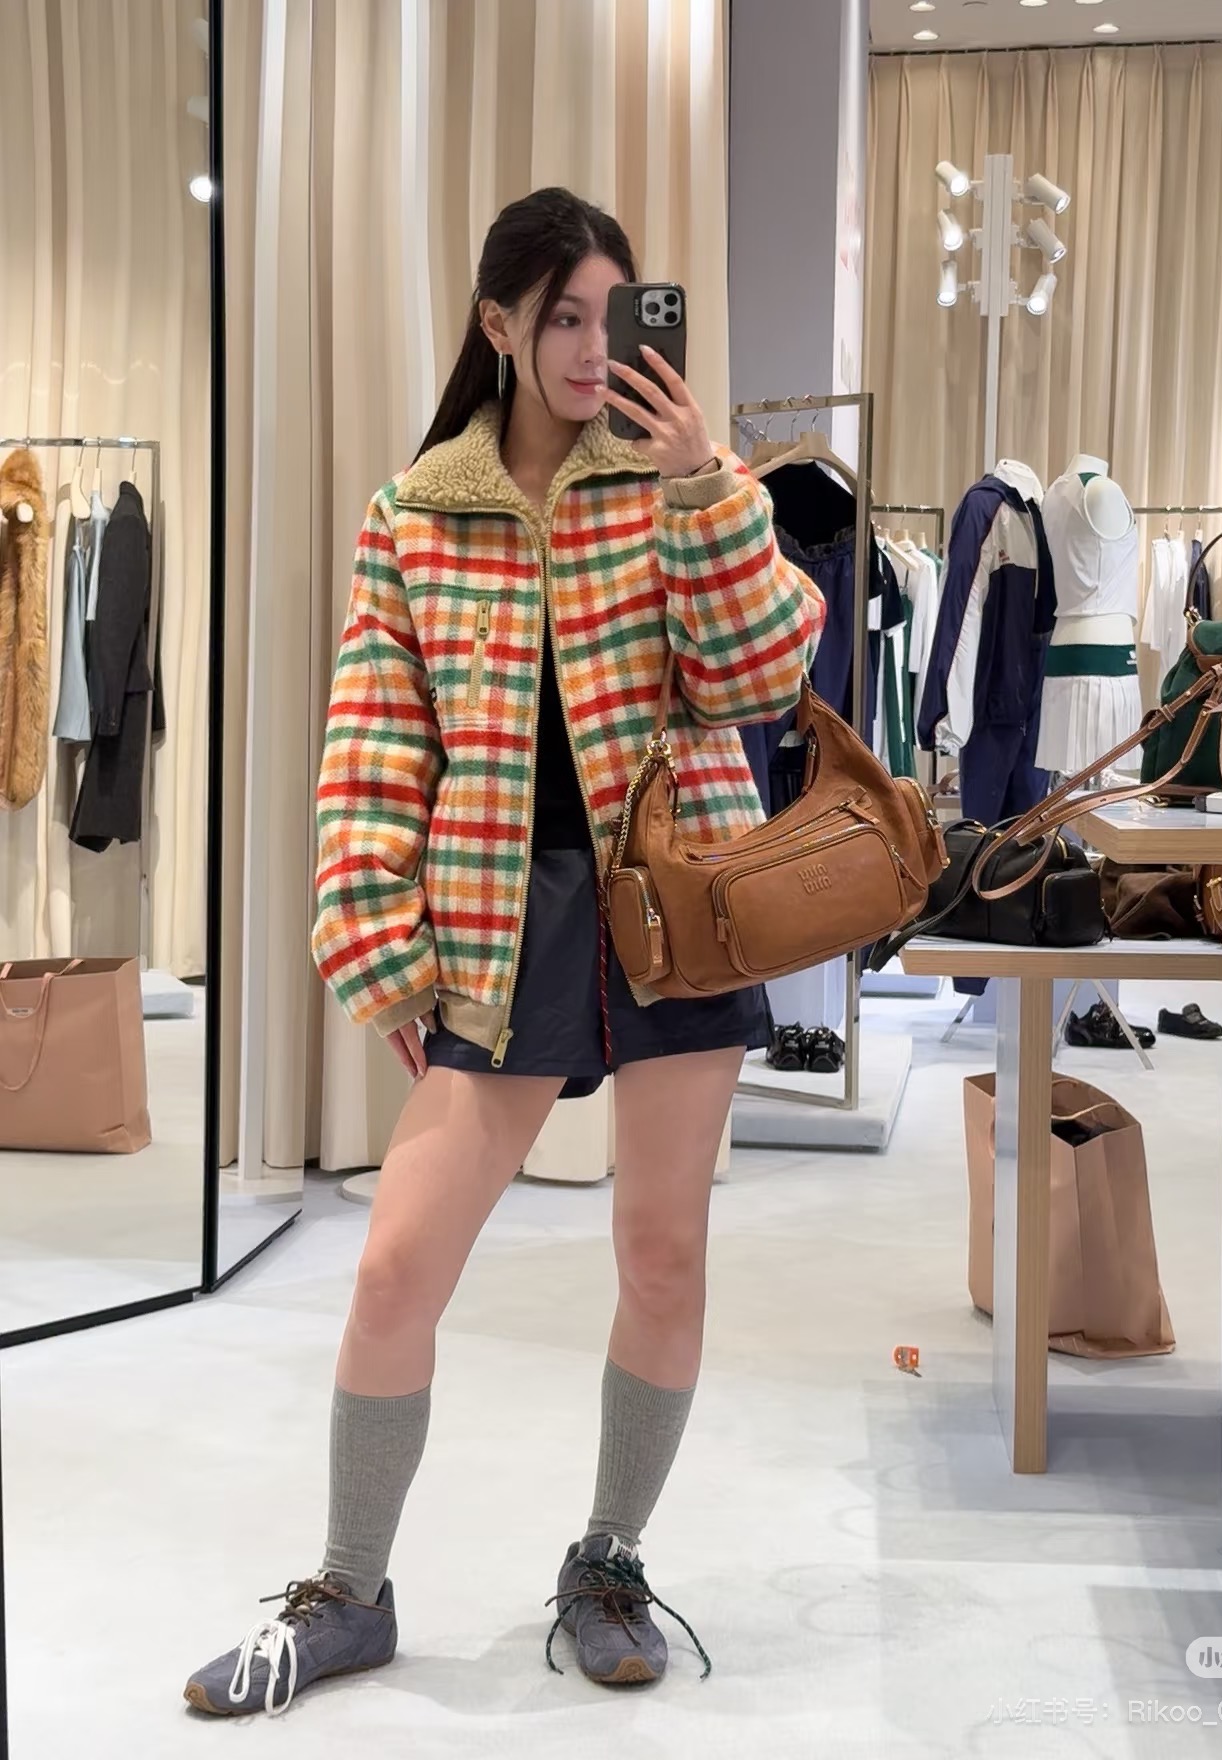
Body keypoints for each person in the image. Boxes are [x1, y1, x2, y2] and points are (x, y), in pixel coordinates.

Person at [185, 186, 824, 1719]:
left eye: (617, 315)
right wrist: (376, 942)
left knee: (662, 1253)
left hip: (674, 905)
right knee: (397, 1265)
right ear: (498, 325)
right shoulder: (415, 512)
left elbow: (764, 675)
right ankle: (350, 1590)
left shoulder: (669, 480)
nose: (598, 348)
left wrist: (706, 483)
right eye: (565, 318)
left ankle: (608, 1561)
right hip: (495, 913)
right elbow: (370, 749)